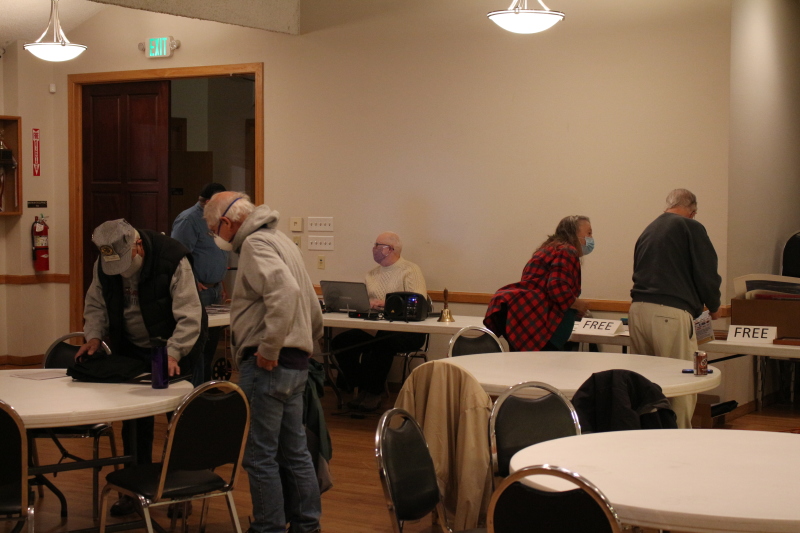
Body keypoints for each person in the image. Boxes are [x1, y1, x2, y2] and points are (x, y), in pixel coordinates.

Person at [204, 191, 323, 533]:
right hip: (295, 361)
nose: (215, 236)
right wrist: (308, 340)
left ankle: (268, 527)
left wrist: (269, 349)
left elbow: (286, 293)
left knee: (259, 455)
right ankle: (307, 526)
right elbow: (310, 301)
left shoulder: (256, 244)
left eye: (213, 229)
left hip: (268, 364)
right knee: (295, 451)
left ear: (226, 222)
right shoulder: (280, 240)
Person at [77, 218, 207, 516]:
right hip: (131, 348)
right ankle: (133, 490)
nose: (122, 273)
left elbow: (190, 316)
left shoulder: (173, 258)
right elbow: (95, 304)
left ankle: (181, 492)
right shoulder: (104, 262)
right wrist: (94, 336)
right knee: (135, 423)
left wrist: (173, 353)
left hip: (174, 346)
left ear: (138, 246)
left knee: (178, 420)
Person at [629, 188, 721, 429]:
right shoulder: (690, 227)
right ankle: (678, 437)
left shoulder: (649, 229)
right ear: (692, 211)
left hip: (638, 311)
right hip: (669, 313)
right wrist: (714, 305)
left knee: (646, 383)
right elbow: (706, 271)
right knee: (682, 380)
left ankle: (648, 433)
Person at [330, 232, 427, 412]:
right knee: (340, 342)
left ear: (390, 249)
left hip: (407, 331)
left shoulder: (410, 270)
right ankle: (362, 384)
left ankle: (372, 393)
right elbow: (364, 302)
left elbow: (417, 301)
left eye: (377, 245)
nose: (373, 248)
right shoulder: (371, 274)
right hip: (374, 327)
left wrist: (385, 303)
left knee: (381, 343)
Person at [484, 215, 593, 351]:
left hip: (527, 324)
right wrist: (577, 304)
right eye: (589, 233)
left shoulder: (546, 249)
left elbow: (536, 287)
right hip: (546, 332)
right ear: (574, 234)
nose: (591, 238)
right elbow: (557, 287)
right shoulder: (568, 251)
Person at [171, 182, 229, 381]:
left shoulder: (216, 219)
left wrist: (221, 284)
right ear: (207, 201)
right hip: (198, 291)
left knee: (211, 345)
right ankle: (195, 390)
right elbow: (177, 255)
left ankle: (206, 387)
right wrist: (192, 281)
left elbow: (219, 253)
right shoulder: (188, 220)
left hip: (215, 289)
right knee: (198, 346)